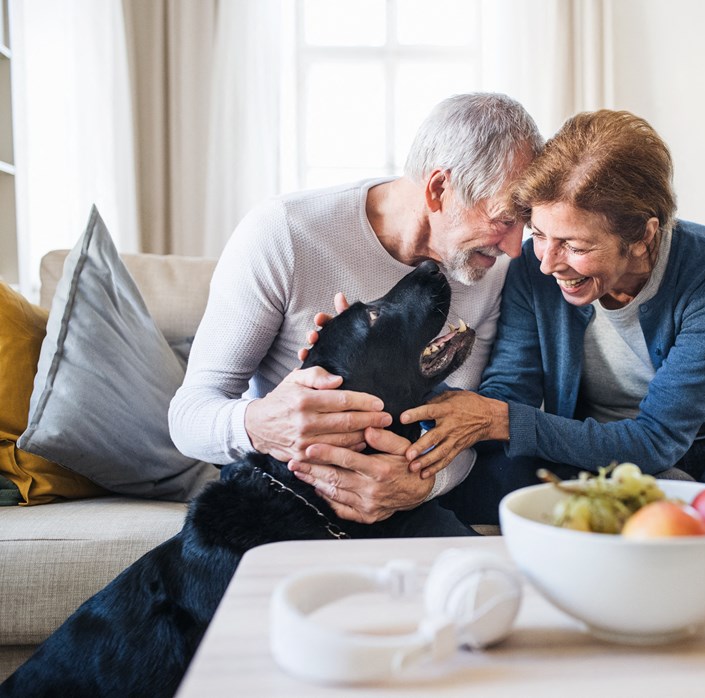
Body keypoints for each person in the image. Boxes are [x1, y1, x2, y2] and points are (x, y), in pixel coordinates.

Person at [395, 109, 705, 524]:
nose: (548, 264)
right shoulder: (530, 268)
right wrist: (411, 393)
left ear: (642, 236)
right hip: (608, 454)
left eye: (575, 246)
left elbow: (658, 439)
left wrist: (500, 419)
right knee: (653, 517)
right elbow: (510, 392)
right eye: (540, 235)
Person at [168, 93, 543, 536]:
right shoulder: (285, 232)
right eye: (503, 220)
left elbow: (457, 428)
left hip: (401, 496)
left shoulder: (491, 270)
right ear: (439, 189)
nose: (516, 248)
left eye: (526, 221)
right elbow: (188, 417)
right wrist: (262, 423)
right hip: (282, 492)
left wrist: (420, 485)